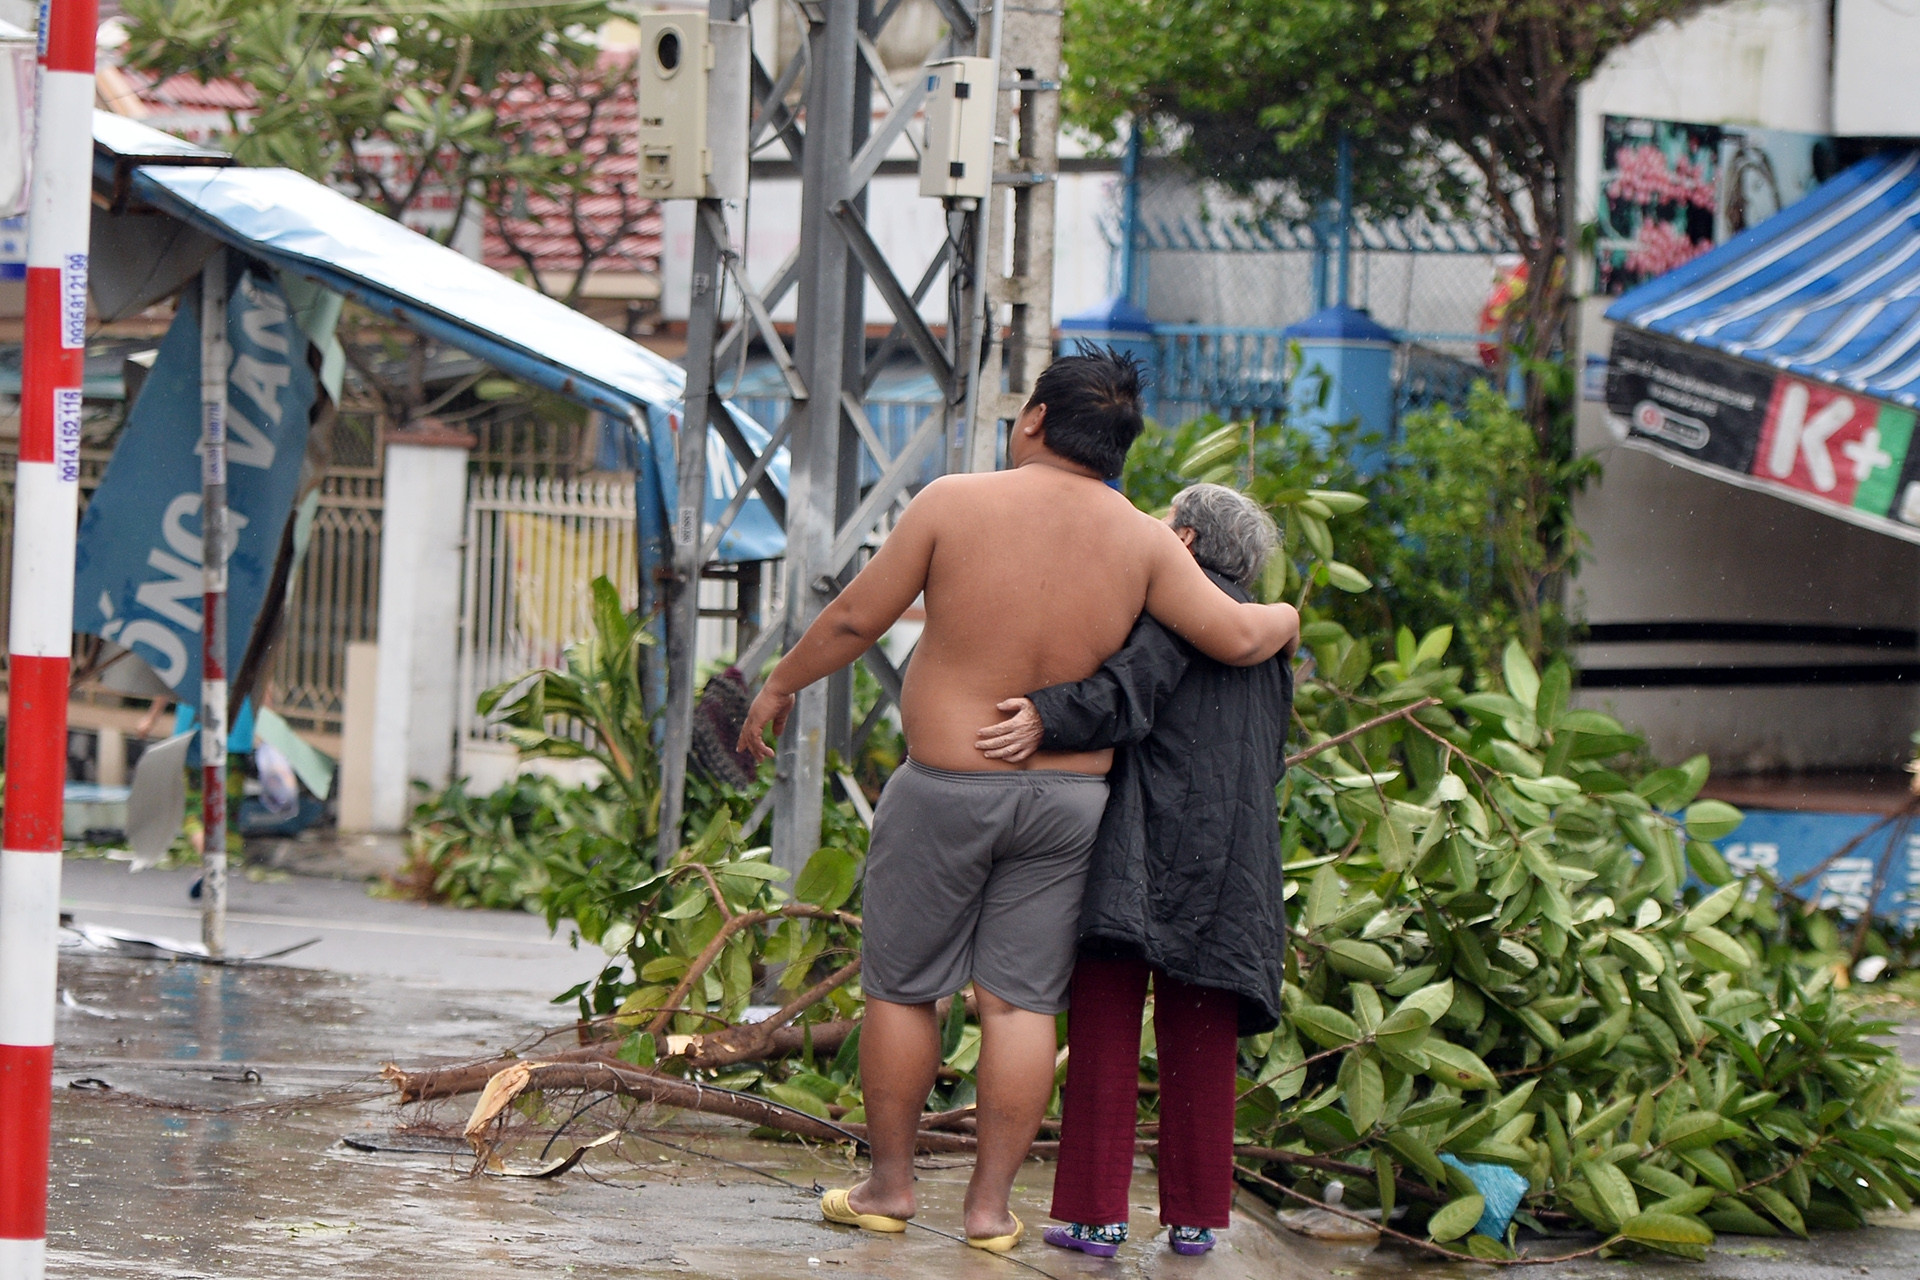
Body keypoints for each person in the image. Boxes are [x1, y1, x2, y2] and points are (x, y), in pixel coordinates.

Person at [736, 350, 1300, 1252]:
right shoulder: (1148, 542)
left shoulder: (954, 502)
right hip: (1069, 805)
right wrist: (1290, 618)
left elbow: (853, 618)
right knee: (1018, 1004)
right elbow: (1237, 634)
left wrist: (778, 685)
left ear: (1034, 419)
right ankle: (992, 1212)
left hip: (947, 789)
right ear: (1120, 444)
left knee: (905, 988)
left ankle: (890, 1187)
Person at [973, 482, 1294, 1259]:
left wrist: (1045, 714)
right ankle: (1193, 1221)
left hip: (1143, 848)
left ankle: (1095, 1215)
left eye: (1161, 522)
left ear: (1181, 541)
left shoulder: (1178, 610)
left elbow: (1127, 695)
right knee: (1202, 1040)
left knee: (1108, 1023)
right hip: (1234, 862)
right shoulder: (1268, 638)